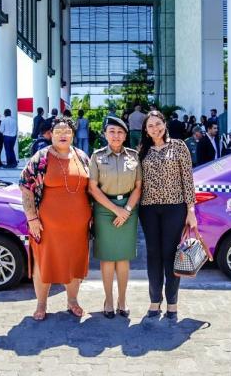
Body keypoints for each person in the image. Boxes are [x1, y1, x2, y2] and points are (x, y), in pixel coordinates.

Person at [19, 117, 92, 321]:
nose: (62, 134)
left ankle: (73, 301)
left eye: (67, 131)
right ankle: (41, 304)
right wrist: (32, 218)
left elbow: (92, 189)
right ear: (51, 134)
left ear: (73, 134)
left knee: (75, 263)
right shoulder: (41, 158)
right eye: (58, 130)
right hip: (47, 225)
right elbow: (26, 186)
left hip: (79, 226)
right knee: (44, 262)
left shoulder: (82, 156)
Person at [138, 110, 197, 320]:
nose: (155, 128)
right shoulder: (142, 150)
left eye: (158, 124)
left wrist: (191, 210)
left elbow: (188, 180)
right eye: (150, 126)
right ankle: (155, 301)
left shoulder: (179, 146)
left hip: (175, 207)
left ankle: (172, 303)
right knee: (153, 254)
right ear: (145, 130)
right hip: (148, 209)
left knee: (171, 255)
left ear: (164, 123)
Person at [88, 116, 142, 319]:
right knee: (108, 257)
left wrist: (126, 209)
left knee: (123, 257)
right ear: (105, 134)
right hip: (104, 209)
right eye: (112, 131)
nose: (116, 135)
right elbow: (93, 188)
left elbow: (138, 187)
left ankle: (122, 300)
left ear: (125, 135)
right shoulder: (97, 156)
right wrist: (116, 209)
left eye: (120, 132)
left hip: (129, 208)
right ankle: (108, 300)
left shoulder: (134, 156)